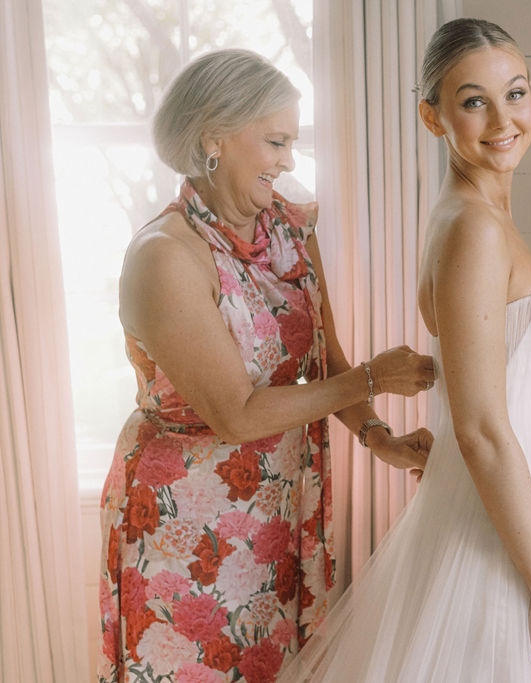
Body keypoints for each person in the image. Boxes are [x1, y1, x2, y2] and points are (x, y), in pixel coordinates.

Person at [281, 18, 531, 682]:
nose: (503, 118)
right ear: (432, 118)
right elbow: (480, 428)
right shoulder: (472, 230)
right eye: (473, 101)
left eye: (515, 93)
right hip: (508, 535)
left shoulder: (481, 219)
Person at [97, 49, 436, 683]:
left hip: (281, 513)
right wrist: (373, 379)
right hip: (185, 527)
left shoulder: (288, 228)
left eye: (292, 142)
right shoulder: (164, 257)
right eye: (276, 142)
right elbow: (236, 414)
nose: (288, 160)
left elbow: (325, 362)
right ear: (213, 139)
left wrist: (380, 437)